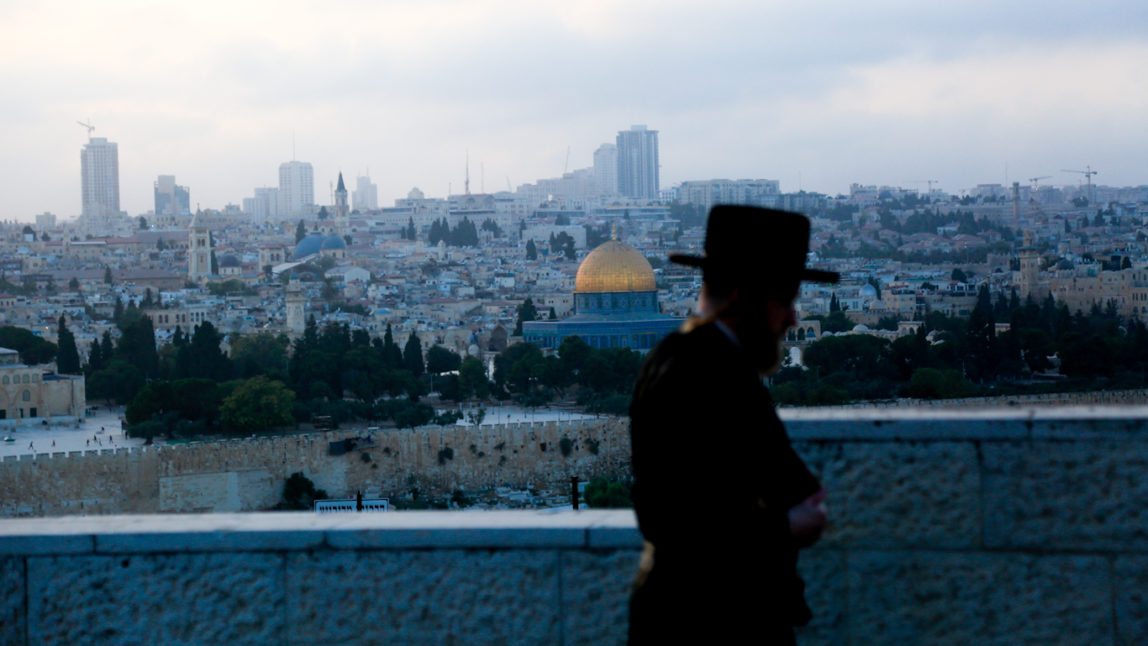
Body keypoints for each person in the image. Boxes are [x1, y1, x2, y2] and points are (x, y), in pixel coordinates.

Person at [628, 205, 838, 645]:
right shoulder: (701, 371)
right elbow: (671, 521)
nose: (793, 319)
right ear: (746, 296)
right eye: (785, 301)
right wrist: (786, 527)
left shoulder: (698, 360)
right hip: (704, 625)